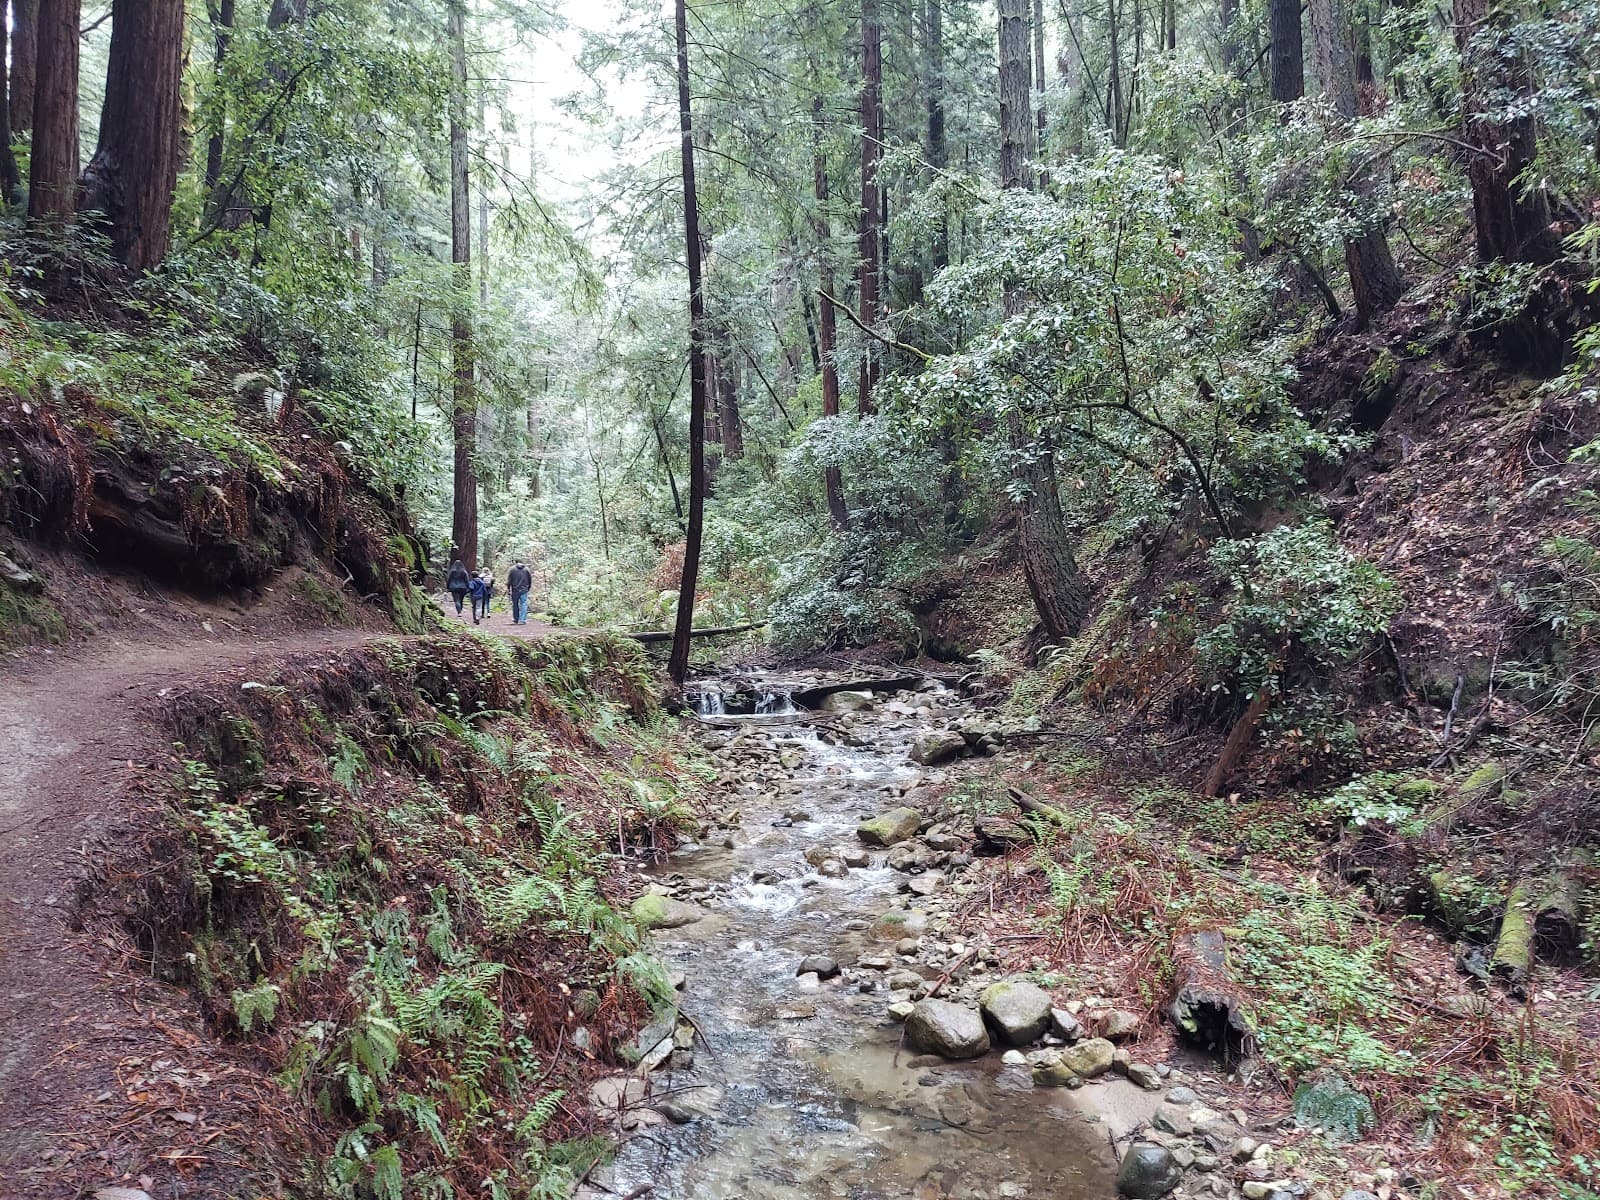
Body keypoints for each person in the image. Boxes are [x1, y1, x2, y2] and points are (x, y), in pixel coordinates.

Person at [507, 560, 532, 625]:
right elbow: (530, 580)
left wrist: (508, 589)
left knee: (515, 604)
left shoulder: (512, 569)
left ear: (516, 562)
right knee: (524, 604)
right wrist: (528, 587)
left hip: (515, 590)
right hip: (524, 589)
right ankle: (522, 620)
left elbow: (509, 580)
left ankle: (516, 619)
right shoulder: (527, 569)